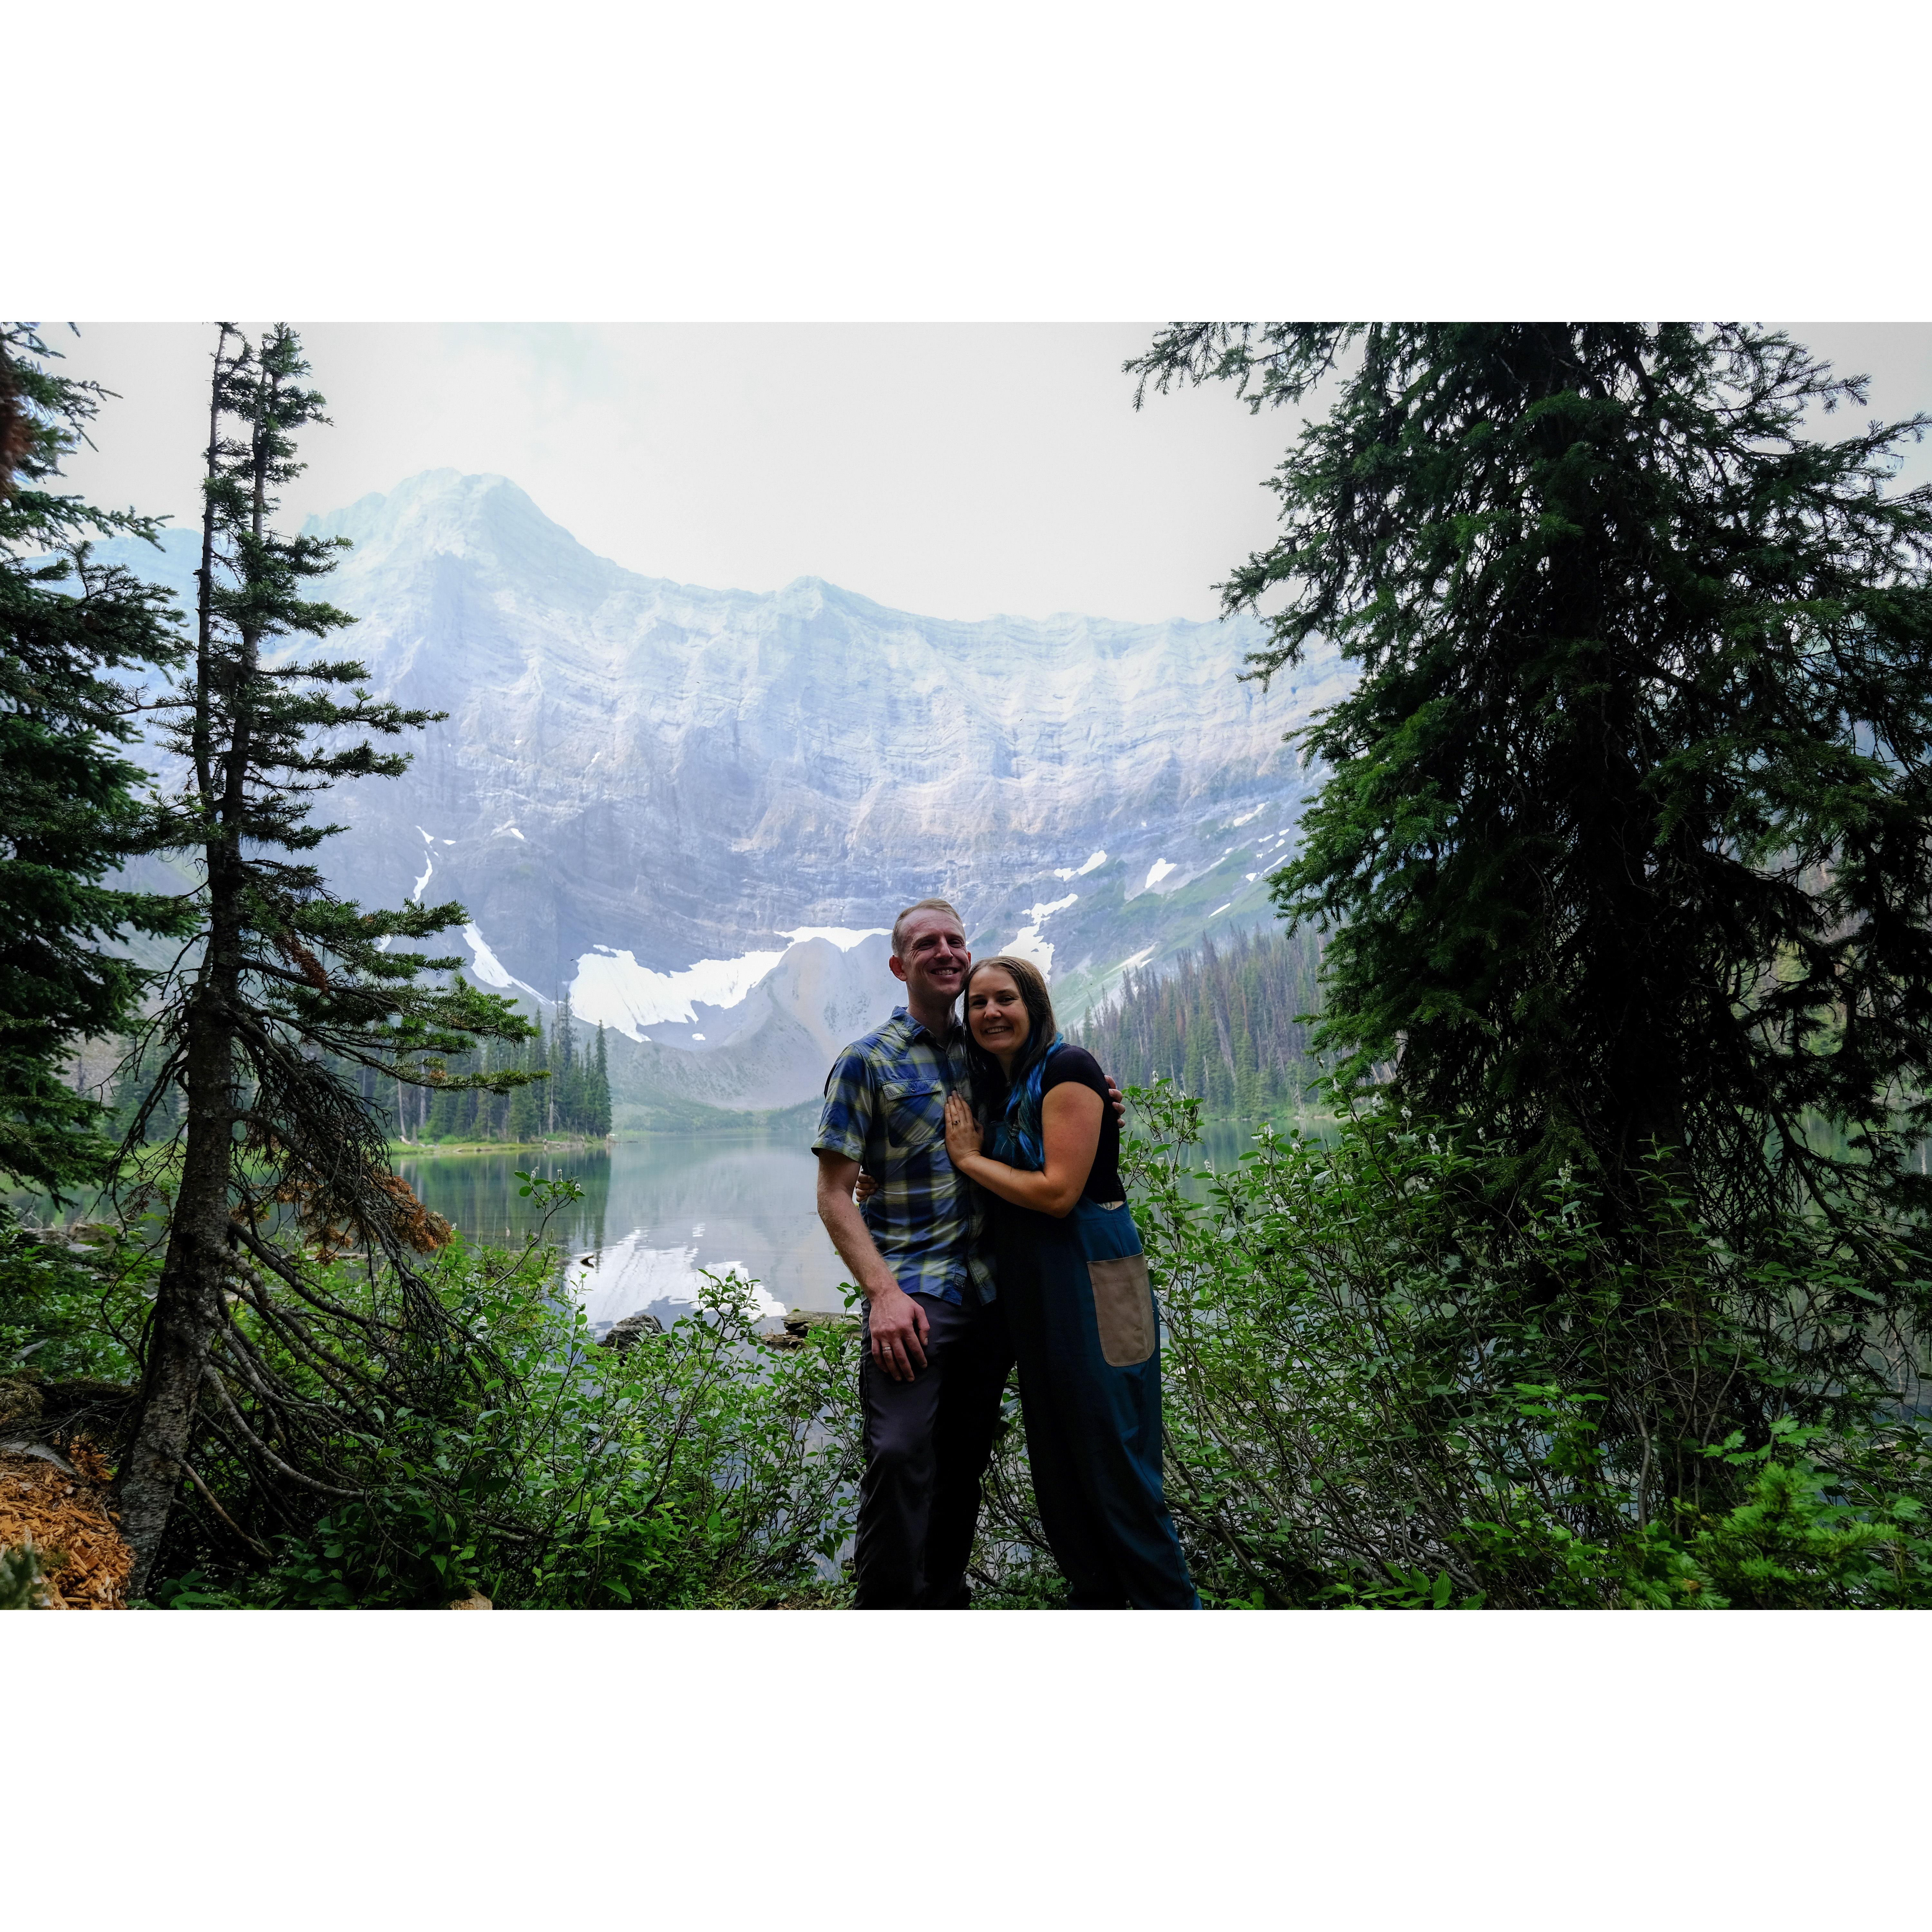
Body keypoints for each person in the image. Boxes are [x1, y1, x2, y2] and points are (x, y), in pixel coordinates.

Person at [941, 954, 1199, 1609]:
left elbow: (1058, 1194)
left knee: (1116, 1459)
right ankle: (1099, 1601)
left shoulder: (1069, 1069)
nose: (991, 1013)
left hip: (1096, 1279)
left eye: (1005, 999)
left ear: (1034, 1005)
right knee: (1059, 1465)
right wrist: (869, 1179)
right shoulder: (999, 1085)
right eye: (978, 1003)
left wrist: (969, 1159)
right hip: (1036, 1291)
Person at [812, 899, 1017, 1609]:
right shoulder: (866, 1061)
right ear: (901, 967)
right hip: (913, 1296)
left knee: (964, 1464)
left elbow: (1053, 1103)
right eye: (927, 944)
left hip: (988, 1294)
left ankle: (944, 1604)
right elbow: (835, 1195)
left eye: (955, 940)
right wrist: (883, 1294)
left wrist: (1098, 1099)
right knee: (899, 1455)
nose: (945, 952)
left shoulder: (990, 1050)